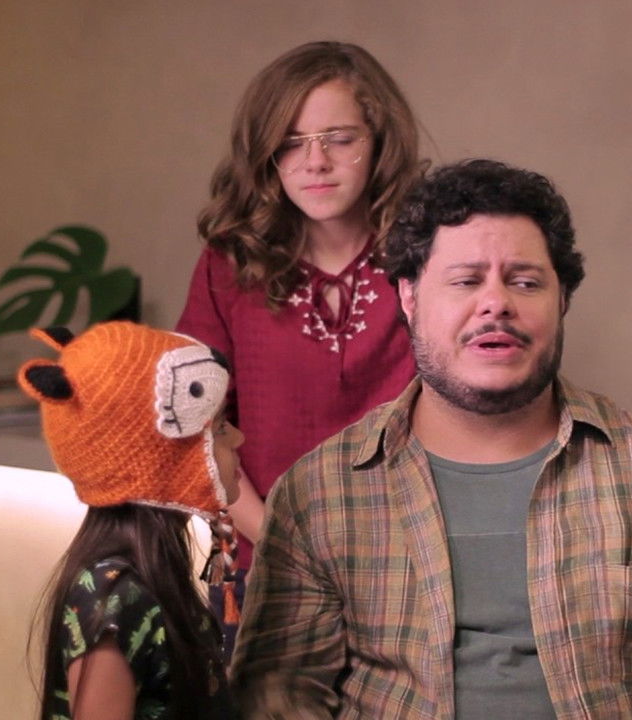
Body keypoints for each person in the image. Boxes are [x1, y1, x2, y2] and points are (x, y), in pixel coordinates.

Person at [230, 159, 632, 719]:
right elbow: (279, 695)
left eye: (525, 282)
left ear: (562, 299)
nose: (496, 303)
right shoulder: (320, 494)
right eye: (466, 281)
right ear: (410, 297)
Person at [176, 41, 424, 655]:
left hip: (410, 569)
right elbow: (196, 429)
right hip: (264, 569)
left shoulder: (430, 257)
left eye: (339, 138)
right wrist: (284, 545)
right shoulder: (228, 264)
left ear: (380, 141)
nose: (315, 162)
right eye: (291, 143)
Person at [21, 321, 245, 719]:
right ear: (163, 460)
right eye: (221, 428)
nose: (239, 439)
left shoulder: (152, 581)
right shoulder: (115, 597)